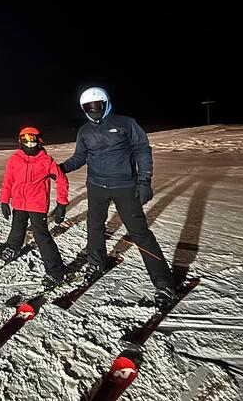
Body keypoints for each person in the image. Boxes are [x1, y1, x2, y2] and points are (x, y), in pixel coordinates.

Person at [59, 87, 177, 305]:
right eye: (88, 108)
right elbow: (80, 156)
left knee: (139, 233)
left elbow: (143, 150)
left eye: (97, 106)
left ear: (106, 104)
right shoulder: (84, 131)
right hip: (96, 186)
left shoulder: (126, 124)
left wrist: (144, 181)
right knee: (94, 227)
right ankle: (96, 263)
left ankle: (164, 283)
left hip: (125, 186)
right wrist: (61, 168)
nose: (93, 111)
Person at [0, 126, 71, 286]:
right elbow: (8, 181)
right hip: (19, 203)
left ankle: (56, 272)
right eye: (25, 141)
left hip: (37, 205)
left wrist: (61, 204)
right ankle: (13, 248)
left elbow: (61, 180)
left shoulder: (46, 161)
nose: (29, 144)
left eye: (32, 141)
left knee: (41, 237)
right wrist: (4, 200)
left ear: (39, 141)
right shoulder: (15, 160)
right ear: (20, 141)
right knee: (17, 229)